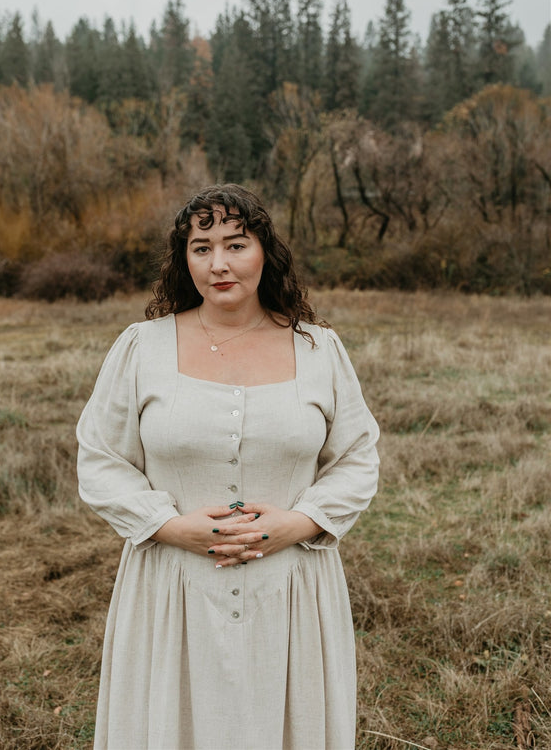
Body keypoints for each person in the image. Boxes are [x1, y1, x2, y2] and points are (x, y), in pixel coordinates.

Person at [77, 183, 379, 750]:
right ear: (183, 258)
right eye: (201, 247)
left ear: (265, 251)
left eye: (236, 244)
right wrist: (170, 527)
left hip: (291, 589)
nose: (219, 263)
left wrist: (300, 522)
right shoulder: (142, 348)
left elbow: (357, 459)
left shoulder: (320, 350)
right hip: (172, 587)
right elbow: (100, 458)